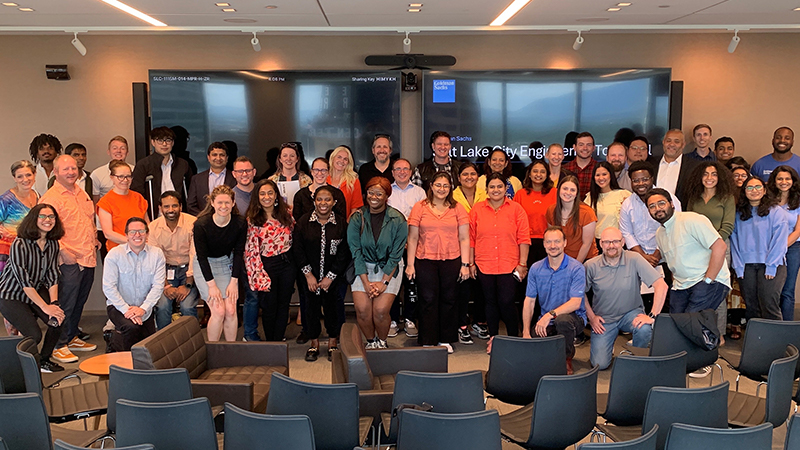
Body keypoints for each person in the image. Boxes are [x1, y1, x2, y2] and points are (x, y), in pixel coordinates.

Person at [39, 155, 98, 363]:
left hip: (87, 256)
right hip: (68, 259)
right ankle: (58, 344)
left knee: (79, 301)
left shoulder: (79, 192)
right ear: (55, 172)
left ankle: (71, 337)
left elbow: (87, 219)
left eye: (73, 168)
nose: (71, 172)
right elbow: (44, 231)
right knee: (65, 304)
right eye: (65, 169)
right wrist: (63, 251)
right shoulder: (51, 198)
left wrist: (95, 237)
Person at [584, 227, 668, 370]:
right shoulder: (590, 265)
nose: (611, 246)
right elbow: (580, 294)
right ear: (600, 244)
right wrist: (591, 317)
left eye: (616, 241)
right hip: (604, 319)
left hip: (631, 314)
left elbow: (661, 285)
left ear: (623, 242)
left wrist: (652, 315)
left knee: (644, 329)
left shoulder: (634, 259)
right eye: (607, 242)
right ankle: (608, 346)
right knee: (600, 364)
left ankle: (636, 355)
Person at [406, 172, 470, 354]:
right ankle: (428, 339)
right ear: (431, 186)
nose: (442, 189)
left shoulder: (457, 208)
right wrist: (410, 264)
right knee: (427, 300)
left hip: (452, 260)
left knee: (449, 300)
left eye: (446, 185)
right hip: (425, 260)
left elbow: (465, 238)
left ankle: (445, 339)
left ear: (450, 188)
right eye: (438, 185)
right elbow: (412, 238)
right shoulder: (420, 207)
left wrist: (465, 264)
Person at [0, 204, 65, 372]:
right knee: (34, 336)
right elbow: (24, 281)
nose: (47, 220)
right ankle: (20, 368)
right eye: (42, 216)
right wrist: (45, 306)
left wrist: (55, 304)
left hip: (35, 290)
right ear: (33, 219)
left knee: (57, 320)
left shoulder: (52, 244)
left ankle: (44, 361)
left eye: (51, 217)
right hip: (11, 295)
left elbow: (52, 275)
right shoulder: (20, 244)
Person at [647, 188, 731, 314]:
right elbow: (673, 262)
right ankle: (712, 334)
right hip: (681, 286)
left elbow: (720, 247)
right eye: (652, 206)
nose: (657, 208)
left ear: (671, 203)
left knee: (692, 324)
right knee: (677, 324)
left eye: (661, 203)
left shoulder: (692, 219)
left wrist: (708, 280)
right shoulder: (660, 233)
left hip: (707, 281)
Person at [469, 173, 530, 344]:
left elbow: (524, 238)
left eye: (499, 186)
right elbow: (471, 239)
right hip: (484, 264)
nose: (496, 190)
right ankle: (493, 338)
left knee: (507, 302)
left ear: (505, 189)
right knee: (489, 303)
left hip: (509, 264)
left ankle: (513, 339)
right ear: (486, 189)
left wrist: (522, 264)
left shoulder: (517, 209)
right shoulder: (477, 209)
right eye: (492, 187)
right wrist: (471, 263)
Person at [291, 158, 346, 344]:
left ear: (334, 201)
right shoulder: (303, 222)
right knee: (310, 309)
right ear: (314, 201)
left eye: (327, 199)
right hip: (310, 276)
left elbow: (344, 252)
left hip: (333, 277)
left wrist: (331, 276)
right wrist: (308, 275)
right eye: (319, 199)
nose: (323, 203)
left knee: (332, 308)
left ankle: (332, 341)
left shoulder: (340, 224)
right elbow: (297, 249)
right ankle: (313, 342)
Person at [348, 177, 407, 349]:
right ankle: (371, 342)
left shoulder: (398, 219)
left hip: (389, 267)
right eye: (371, 192)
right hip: (362, 267)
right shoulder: (357, 217)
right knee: (363, 311)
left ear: (386, 196)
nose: (374, 197)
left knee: (380, 312)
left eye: (379, 193)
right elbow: (356, 252)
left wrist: (383, 283)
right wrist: (366, 283)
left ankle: (382, 342)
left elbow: (396, 255)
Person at [683, 161, 736, 341]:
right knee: (698, 290)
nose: (709, 178)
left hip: (720, 248)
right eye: (705, 174)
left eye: (713, 174)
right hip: (696, 250)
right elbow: (688, 222)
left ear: (719, 178)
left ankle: (717, 333)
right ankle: (698, 331)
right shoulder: (694, 197)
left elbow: (728, 225)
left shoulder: (726, 197)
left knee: (717, 291)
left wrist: (714, 244)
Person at [522, 226, 586, 374]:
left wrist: (549, 315)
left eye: (557, 241)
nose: (552, 246)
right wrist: (526, 332)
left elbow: (576, 302)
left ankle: (566, 359)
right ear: (543, 244)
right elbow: (529, 301)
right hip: (547, 320)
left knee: (562, 321)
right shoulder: (536, 268)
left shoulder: (576, 268)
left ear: (565, 243)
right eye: (549, 242)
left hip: (574, 318)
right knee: (535, 355)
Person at [730, 176, 789, 321]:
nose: (754, 190)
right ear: (744, 191)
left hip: (771, 264)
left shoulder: (776, 212)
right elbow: (734, 241)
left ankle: (775, 341)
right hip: (746, 266)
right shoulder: (738, 213)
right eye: (749, 188)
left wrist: (771, 266)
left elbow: (780, 241)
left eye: (758, 187)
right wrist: (738, 267)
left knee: (769, 304)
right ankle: (756, 341)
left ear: (764, 191)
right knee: (751, 307)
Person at [103, 217, 166, 351]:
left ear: (147, 234)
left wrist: (143, 308)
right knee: (131, 328)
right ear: (126, 235)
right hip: (119, 307)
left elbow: (158, 286)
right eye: (132, 232)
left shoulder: (157, 254)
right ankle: (129, 367)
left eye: (141, 231)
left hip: (145, 307)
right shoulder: (114, 254)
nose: (137, 235)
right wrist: (127, 310)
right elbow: (109, 287)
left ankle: (113, 339)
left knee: (148, 344)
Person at [193, 185, 246, 341]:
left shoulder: (240, 223)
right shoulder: (201, 225)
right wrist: (212, 286)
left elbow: (238, 253)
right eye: (220, 203)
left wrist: (234, 282)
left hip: (225, 264)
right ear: (213, 203)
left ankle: (231, 350)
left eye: (227, 202)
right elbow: (201, 257)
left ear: (233, 202)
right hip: (205, 267)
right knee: (218, 311)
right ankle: (213, 351)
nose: (224, 206)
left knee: (230, 310)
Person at [245, 180, 295, 342]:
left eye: (270, 193)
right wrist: (259, 274)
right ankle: (271, 342)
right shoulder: (252, 220)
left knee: (283, 304)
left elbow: (294, 237)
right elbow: (251, 250)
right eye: (262, 193)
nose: (266, 197)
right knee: (269, 306)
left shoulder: (286, 215)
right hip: (266, 265)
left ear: (276, 196)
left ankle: (279, 339)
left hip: (287, 264)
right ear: (257, 197)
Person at [386, 157, 425, 338]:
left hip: (414, 245)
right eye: (398, 169)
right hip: (391, 246)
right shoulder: (387, 192)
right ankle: (392, 320)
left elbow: (425, 219)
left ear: (411, 172)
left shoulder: (419, 192)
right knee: (392, 283)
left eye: (406, 169)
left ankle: (410, 319)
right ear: (392, 172)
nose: (402, 172)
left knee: (412, 284)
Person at [148, 191, 198, 329]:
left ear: (181, 206)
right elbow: (154, 260)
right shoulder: (153, 227)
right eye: (166, 206)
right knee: (163, 306)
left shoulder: (193, 223)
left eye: (174, 206)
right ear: (160, 208)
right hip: (165, 271)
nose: (171, 210)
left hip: (190, 270)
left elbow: (195, 255)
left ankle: (193, 341)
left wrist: (188, 284)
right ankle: (163, 342)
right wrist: (165, 285)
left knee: (187, 307)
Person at [0, 160, 39, 335]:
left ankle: (25, 338)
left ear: (34, 175)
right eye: (20, 176)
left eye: (28, 175)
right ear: (14, 178)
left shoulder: (36, 195)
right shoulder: (6, 200)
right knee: (11, 296)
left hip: (29, 254)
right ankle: (13, 340)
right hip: (8, 255)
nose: (25, 179)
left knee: (26, 294)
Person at [452, 162, 489, 343]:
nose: (469, 177)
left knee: (481, 288)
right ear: (459, 178)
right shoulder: (452, 196)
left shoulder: (485, 194)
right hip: (459, 248)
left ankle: (479, 321)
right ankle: (461, 324)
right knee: (463, 289)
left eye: (473, 174)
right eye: (465, 174)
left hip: (482, 248)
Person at [131, 127, 193, 220]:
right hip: (155, 216)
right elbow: (137, 194)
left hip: (179, 215)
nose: (164, 144)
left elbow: (190, 190)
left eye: (168, 140)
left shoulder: (182, 164)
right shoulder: (143, 165)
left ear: (172, 143)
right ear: (153, 142)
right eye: (160, 140)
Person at [767, 166, 800, 321]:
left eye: (788, 178)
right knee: (771, 290)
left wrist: (780, 248)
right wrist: (774, 249)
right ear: (774, 181)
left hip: (792, 248)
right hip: (769, 248)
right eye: (780, 178)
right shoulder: (767, 200)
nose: (784, 182)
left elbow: (798, 230)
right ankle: (770, 326)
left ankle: (786, 328)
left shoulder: (798, 201)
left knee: (787, 290)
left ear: (793, 181)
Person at [91, 136, 133, 256]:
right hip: (105, 225)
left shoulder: (135, 170)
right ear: (108, 151)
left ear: (127, 152)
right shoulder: (98, 173)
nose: (118, 151)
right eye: (115, 148)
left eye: (122, 148)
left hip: (128, 224)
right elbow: (95, 201)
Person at [97, 161, 149, 252]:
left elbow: (148, 225)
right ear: (112, 178)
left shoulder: (138, 197)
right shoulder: (105, 202)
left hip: (142, 249)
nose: (125, 180)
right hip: (119, 251)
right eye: (120, 177)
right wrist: (133, 241)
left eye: (128, 176)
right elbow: (108, 233)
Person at [546, 175, 598, 263]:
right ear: (558, 190)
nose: (568, 192)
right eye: (565, 188)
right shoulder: (551, 211)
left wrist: (575, 266)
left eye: (572, 190)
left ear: (577, 193)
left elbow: (587, 244)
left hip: (585, 260)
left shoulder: (587, 213)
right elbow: (551, 238)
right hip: (561, 260)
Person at [515, 160, 558, 265]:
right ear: (529, 174)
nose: (538, 174)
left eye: (542, 172)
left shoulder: (555, 193)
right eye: (535, 171)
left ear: (547, 175)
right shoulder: (520, 194)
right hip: (525, 243)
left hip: (549, 242)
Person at [585, 161, 632, 251]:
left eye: (604, 174)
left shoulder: (624, 195)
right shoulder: (589, 198)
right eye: (597, 175)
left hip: (620, 243)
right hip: (597, 244)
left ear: (610, 175)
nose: (601, 178)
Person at [186, 142, 235, 215]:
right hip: (203, 222)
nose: (218, 158)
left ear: (227, 158)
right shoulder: (197, 179)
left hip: (229, 221)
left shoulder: (235, 177)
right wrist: (205, 219)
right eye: (214, 155)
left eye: (222, 155)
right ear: (208, 157)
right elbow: (191, 206)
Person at [654, 129, 699, 204]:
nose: (671, 144)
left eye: (677, 141)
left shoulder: (694, 167)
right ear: (663, 142)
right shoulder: (652, 163)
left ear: (683, 145)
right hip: (652, 212)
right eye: (668, 141)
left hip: (681, 213)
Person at [327, 146, 364, 218]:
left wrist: (347, 225)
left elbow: (355, 209)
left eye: (345, 159)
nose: (342, 161)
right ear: (333, 158)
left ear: (348, 163)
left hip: (345, 224)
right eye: (339, 157)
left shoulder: (354, 181)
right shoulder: (323, 177)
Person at [563, 132, 598, 198]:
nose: (585, 148)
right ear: (574, 147)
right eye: (581, 145)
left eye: (589, 145)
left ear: (593, 148)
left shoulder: (600, 169)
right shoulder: (565, 169)